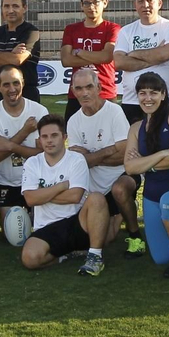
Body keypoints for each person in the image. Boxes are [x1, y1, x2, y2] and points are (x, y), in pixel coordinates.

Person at [65, 67, 140, 272]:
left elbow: (124, 154)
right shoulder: (73, 121)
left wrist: (91, 156)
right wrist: (109, 151)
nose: (85, 93)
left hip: (123, 174)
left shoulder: (114, 111)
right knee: (105, 240)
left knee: (119, 189)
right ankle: (116, 215)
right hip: (94, 185)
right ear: (73, 91)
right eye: (79, 88)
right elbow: (79, 161)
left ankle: (135, 236)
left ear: (99, 87)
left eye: (89, 87)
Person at [123, 71, 169, 275]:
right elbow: (129, 167)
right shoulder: (136, 127)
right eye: (142, 93)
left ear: (163, 95)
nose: (148, 98)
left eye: (153, 92)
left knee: (168, 206)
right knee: (161, 258)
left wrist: (144, 163)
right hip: (151, 193)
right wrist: (162, 154)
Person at [19, 115, 103, 270]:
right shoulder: (33, 162)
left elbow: (75, 196)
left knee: (97, 199)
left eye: (54, 135)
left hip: (76, 222)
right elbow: (30, 199)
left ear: (64, 137)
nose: (49, 140)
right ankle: (65, 255)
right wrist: (61, 186)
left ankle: (95, 257)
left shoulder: (77, 160)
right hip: (45, 226)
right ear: (40, 140)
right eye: (44, 136)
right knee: (29, 259)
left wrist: (42, 194)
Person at [114, 0, 169, 123]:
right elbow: (119, 62)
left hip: (166, 100)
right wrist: (154, 56)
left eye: (150, 0)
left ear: (159, 3)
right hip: (132, 102)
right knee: (134, 143)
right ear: (135, 5)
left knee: (165, 144)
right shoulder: (126, 31)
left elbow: (165, 54)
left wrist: (133, 54)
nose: (145, 5)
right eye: (140, 1)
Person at [0, 65, 48, 211]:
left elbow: (44, 154)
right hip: (7, 183)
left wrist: (10, 145)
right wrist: (24, 132)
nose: (12, 89)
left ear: (23, 83)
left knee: (38, 229)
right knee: (12, 232)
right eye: (6, 84)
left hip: (37, 182)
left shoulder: (39, 111)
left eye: (16, 83)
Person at [60, 0, 120, 115]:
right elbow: (66, 60)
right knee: (73, 134)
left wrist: (79, 52)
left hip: (105, 92)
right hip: (77, 94)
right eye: (86, 3)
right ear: (81, 5)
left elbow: (107, 57)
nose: (91, 7)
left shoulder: (113, 28)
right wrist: (96, 57)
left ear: (105, 3)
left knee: (109, 135)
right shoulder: (71, 29)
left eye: (95, 2)